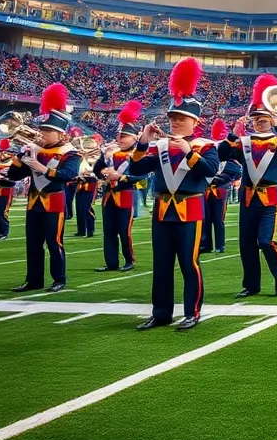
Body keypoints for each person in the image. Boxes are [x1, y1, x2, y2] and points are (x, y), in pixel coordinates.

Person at [128, 58, 220, 331]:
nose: (176, 122)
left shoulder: (205, 146)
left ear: (194, 121)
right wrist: (143, 142)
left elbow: (209, 171)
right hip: (162, 211)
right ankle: (161, 313)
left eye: (181, 118)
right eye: (172, 118)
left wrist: (189, 152)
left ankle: (192, 312)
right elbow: (136, 168)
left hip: (190, 210)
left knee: (189, 263)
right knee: (162, 263)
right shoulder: (159, 146)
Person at [219, 74, 277, 298]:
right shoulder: (245, 142)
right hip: (248, 198)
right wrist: (233, 133)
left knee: (265, 241)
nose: (259, 122)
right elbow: (222, 154)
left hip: (270, 199)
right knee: (246, 245)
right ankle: (251, 285)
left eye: (263, 119)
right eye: (256, 119)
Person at [8, 84, 82, 293]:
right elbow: (14, 175)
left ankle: (59, 278)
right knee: (33, 243)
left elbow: (68, 175)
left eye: (48, 131)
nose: (42, 134)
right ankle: (33, 280)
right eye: (42, 130)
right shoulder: (33, 150)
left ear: (61, 134)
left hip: (54, 203)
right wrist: (19, 157)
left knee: (54, 242)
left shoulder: (71, 152)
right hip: (34, 203)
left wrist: (42, 168)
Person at [96, 101, 142, 272]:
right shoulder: (111, 153)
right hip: (109, 196)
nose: (120, 139)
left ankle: (129, 260)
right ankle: (111, 262)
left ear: (134, 138)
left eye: (124, 136)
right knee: (108, 231)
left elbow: (141, 176)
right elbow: (97, 169)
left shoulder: (137, 154)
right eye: (119, 136)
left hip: (126, 195)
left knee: (124, 231)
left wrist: (121, 177)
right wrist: (103, 170)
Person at [201, 119, 242, 254]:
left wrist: (216, 179)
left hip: (220, 189)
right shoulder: (208, 150)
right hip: (207, 189)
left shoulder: (228, 155)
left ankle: (220, 245)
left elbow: (233, 171)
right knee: (206, 218)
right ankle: (206, 244)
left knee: (218, 218)